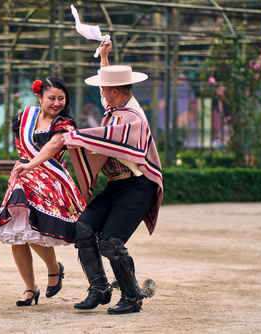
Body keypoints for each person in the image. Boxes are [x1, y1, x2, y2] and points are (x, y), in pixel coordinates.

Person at [63, 41, 164, 315]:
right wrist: (104, 58)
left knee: (111, 241)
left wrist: (74, 137)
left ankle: (132, 297)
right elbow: (105, 89)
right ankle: (100, 288)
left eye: (105, 89)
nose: (101, 93)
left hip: (138, 187)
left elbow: (111, 139)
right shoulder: (116, 110)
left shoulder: (133, 119)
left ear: (115, 92)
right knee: (84, 228)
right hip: (117, 186)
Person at [0, 77, 86, 307]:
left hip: (49, 177)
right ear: (39, 97)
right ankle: (30, 289)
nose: (57, 103)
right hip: (22, 175)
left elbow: (52, 147)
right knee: (15, 230)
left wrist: (31, 165)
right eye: (52, 98)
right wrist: (25, 167)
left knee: (27, 224)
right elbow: (20, 146)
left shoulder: (65, 123)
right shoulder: (24, 117)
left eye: (62, 98)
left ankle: (53, 268)